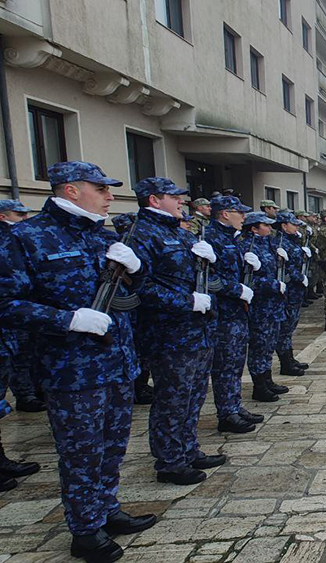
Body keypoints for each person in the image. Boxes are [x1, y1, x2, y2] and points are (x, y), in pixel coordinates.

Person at [0, 161, 156, 561]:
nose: (109, 197)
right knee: (81, 453)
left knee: (113, 446)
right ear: (71, 190)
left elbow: (132, 291)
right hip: (71, 369)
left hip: (117, 362)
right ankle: (85, 530)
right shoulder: (27, 237)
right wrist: (67, 319)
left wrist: (137, 271)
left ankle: (106, 509)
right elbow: (7, 303)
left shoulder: (101, 237)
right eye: (101, 189)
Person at [130, 177, 223, 486]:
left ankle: (188, 448)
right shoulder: (142, 235)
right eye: (175, 196)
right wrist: (187, 301)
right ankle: (170, 461)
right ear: (154, 200)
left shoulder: (177, 232)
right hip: (169, 334)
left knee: (193, 395)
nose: (182, 201)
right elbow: (141, 289)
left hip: (196, 330)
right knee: (172, 399)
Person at [202, 195, 262, 435]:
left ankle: (234, 405)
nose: (244, 217)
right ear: (225, 214)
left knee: (236, 363)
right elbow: (210, 280)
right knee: (225, 365)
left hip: (237, 313)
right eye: (239, 212)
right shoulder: (211, 239)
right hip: (222, 313)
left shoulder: (234, 239)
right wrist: (237, 290)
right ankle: (226, 413)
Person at [0, 200, 45, 412]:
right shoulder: (8, 240)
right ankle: (24, 395)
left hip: (29, 308)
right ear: (3, 216)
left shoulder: (24, 238)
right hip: (10, 312)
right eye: (19, 215)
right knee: (15, 358)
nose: (25, 218)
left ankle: (32, 392)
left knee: (26, 355)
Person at [242, 212, 289, 402]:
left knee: (269, 344)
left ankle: (267, 379)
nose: (270, 229)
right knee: (259, 346)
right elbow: (250, 281)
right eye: (265, 226)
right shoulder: (248, 247)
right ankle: (259, 385)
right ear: (254, 228)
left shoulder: (268, 245)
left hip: (273, 305)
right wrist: (273, 285)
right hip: (260, 306)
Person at [274, 211, 310, 377]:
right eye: (293, 224)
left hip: (296, 292)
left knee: (291, 326)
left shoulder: (292, 241)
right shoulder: (280, 243)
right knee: (285, 328)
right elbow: (285, 269)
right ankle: (285, 363)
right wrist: (299, 277)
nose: (296, 227)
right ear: (283, 226)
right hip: (288, 291)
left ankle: (290, 357)